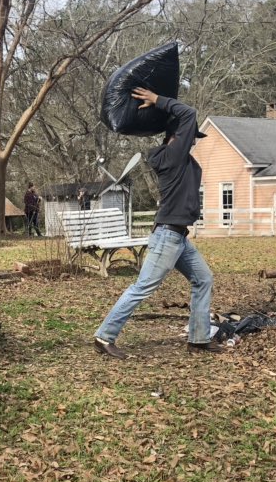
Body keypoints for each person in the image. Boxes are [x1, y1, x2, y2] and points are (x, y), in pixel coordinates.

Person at [93, 86, 226, 359]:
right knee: (142, 287)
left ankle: (198, 339)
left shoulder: (178, 157)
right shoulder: (173, 155)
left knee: (203, 279)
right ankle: (104, 336)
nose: (193, 142)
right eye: (191, 137)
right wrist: (157, 100)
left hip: (178, 237)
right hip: (167, 236)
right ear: (177, 136)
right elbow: (188, 113)